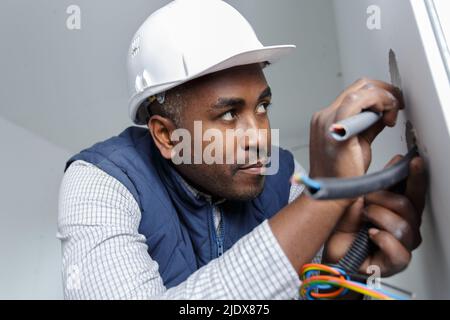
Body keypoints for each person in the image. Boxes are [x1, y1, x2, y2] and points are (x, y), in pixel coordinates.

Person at [57, 0, 427, 299]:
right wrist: (323, 200)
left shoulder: (283, 176)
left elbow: (313, 292)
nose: (260, 138)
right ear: (166, 136)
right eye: (229, 113)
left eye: (262, 107)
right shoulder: (102, 182)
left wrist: (342, 263)